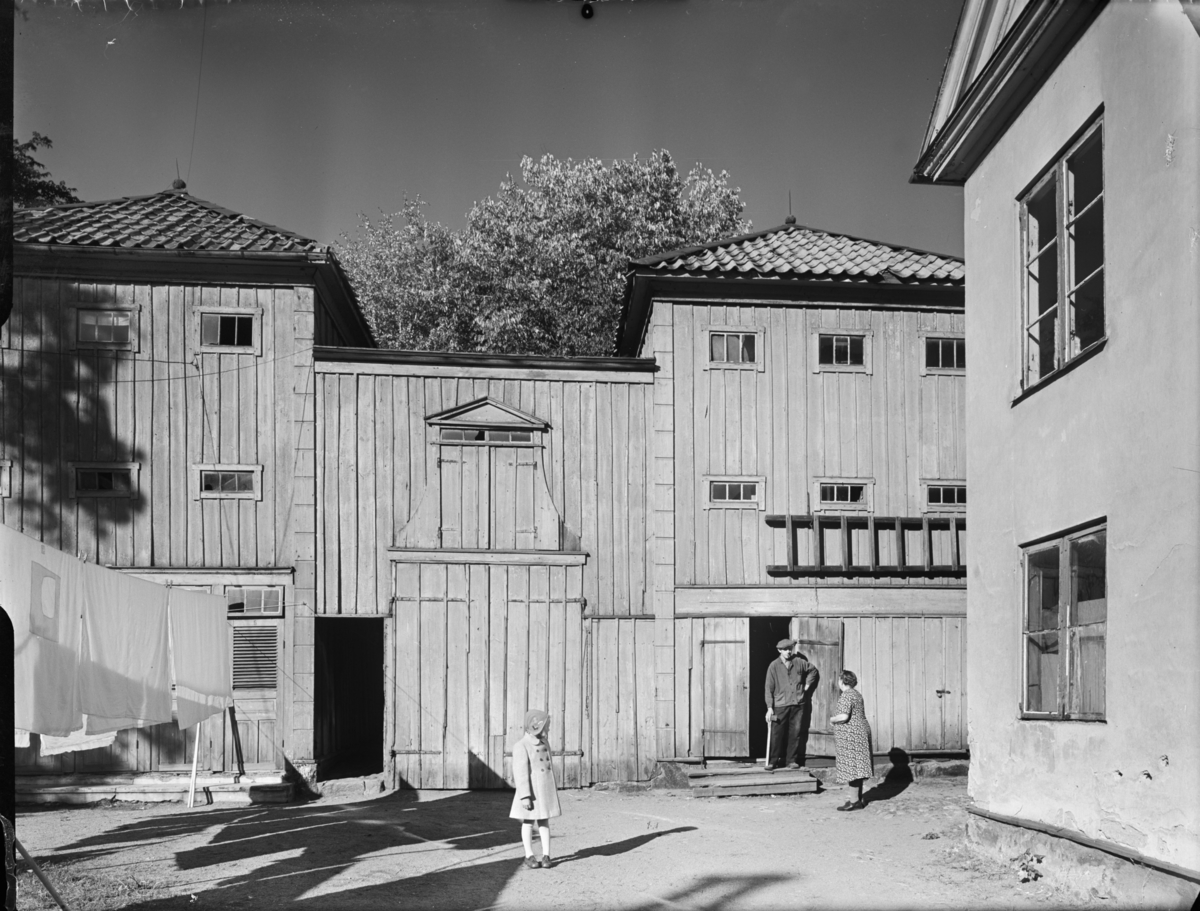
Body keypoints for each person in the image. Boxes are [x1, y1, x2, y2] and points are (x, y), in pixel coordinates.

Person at [510, 709, 562, 869]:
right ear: (536, 726)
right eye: (546, 725)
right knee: (528, 822)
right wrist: (524, 796)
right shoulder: (521, 746)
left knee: (544, 821)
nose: (548, 728)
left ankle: (546, 855)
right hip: (531, 792)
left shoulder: (544, 743)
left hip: (544, 790)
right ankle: (529, 855)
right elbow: (520, 773)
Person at [763, 638, 818, 771]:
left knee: (795, 733)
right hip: (780, 705)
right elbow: (768, 688)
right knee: (777, 734)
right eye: (785, 649)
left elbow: (813, 670)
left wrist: (807, 685)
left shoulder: (799, 662)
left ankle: (791, 761)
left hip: (797, 704)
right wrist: (769, 707)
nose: (788, 652)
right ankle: (773, 761)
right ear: (779, 650)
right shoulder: (773, 666)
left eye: (790, 649)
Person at [829, 669, 874, 811]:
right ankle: (857, 800)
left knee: (852, 768)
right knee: (857, 767)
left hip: (852, 736)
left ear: (842, 681)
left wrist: (832, 719)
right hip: (861, 732)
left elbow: (844, 716)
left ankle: (854, 802)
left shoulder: (846, 695)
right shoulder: (857, 694)